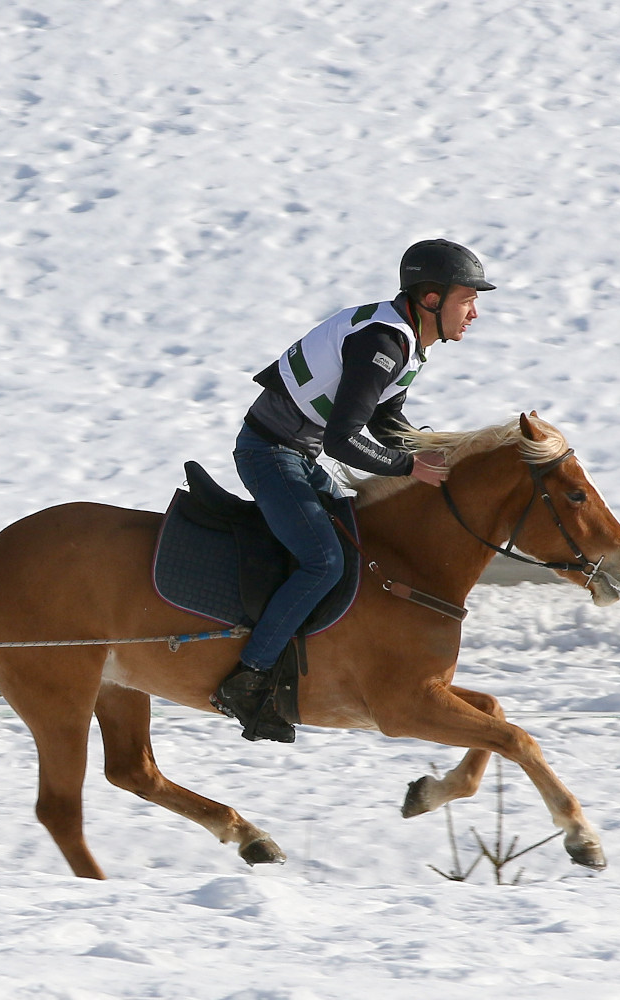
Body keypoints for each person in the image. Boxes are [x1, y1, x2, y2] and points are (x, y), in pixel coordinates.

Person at [211, 240, 494, 742]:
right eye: (467, 299)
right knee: (324, 561)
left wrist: (448, 456)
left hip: (297, 452)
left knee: (354, 541)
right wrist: (411, 467)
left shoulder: (405, 338)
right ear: (431, 299)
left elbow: (385, 420)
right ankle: (249, 677)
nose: (475, 313)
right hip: (270, 453)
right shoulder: (383, 343)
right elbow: (344, 440)